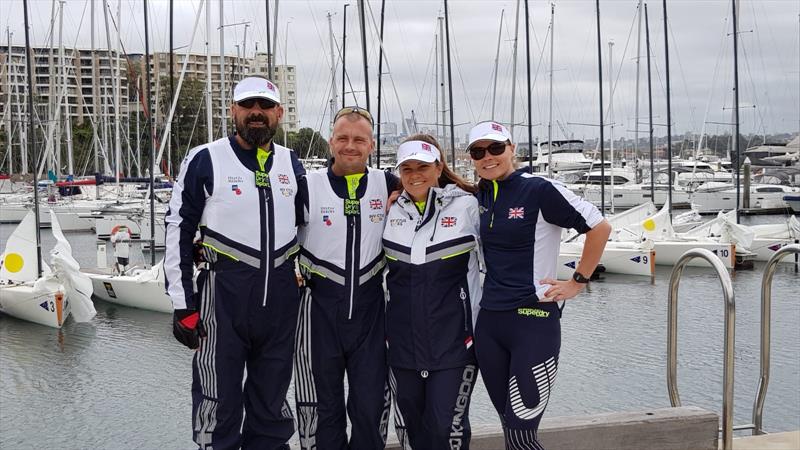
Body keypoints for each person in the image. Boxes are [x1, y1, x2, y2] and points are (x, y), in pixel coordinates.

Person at [164, 76, 305, 450]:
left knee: (271, 401)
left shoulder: (292, 162)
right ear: (233, 111)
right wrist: (183, 306)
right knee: (218, 400)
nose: (255, 113)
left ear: (279, 113)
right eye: (247, 106)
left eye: (264, 106)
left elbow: (314, 222)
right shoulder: (205, 158)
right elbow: (178, 229)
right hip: (223, 296)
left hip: (279, 297)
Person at [467, 121, 611, 450]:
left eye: (496, 148)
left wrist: (577, 282)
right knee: (509, 427)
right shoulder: (481, 193)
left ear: (512, 149)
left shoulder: (539, 189)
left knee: (522, 435)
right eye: (478, 152)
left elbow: (600, 227)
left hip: (533, 321)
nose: (487, 157)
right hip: (489, 324)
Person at [294, 106, 397, 450]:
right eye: (342, 138)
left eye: (358, 139)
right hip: (319, 312)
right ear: (330, 142)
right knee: (323, 410)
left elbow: (436, 189)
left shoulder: (388, 184)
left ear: (372, 144)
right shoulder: (307, 187)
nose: (350, 146)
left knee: (370, 407)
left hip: (370, 312)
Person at [382, 135, 482, 449]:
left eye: (423, 166)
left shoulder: (468, 205)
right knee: (415, 430)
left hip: (455, 346)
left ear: (439, 166)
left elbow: (501, 259)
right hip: (402, 347)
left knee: (446, 429)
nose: (415, 174)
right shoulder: (391, 210)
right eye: (407, 168)